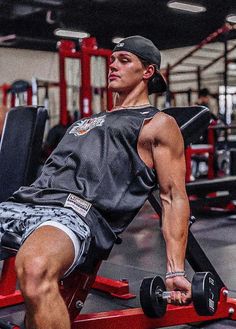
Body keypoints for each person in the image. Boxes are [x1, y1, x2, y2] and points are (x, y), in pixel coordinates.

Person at [0, 35, 191, 329]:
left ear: (148, 71)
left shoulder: (157, 124)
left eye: (124, 61)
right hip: (27, 202)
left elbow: (173, 196)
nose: (112, 66)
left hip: (72, 213)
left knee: (36, 268)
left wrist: (175, 270)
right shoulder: (86, 121)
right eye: (112, 61)